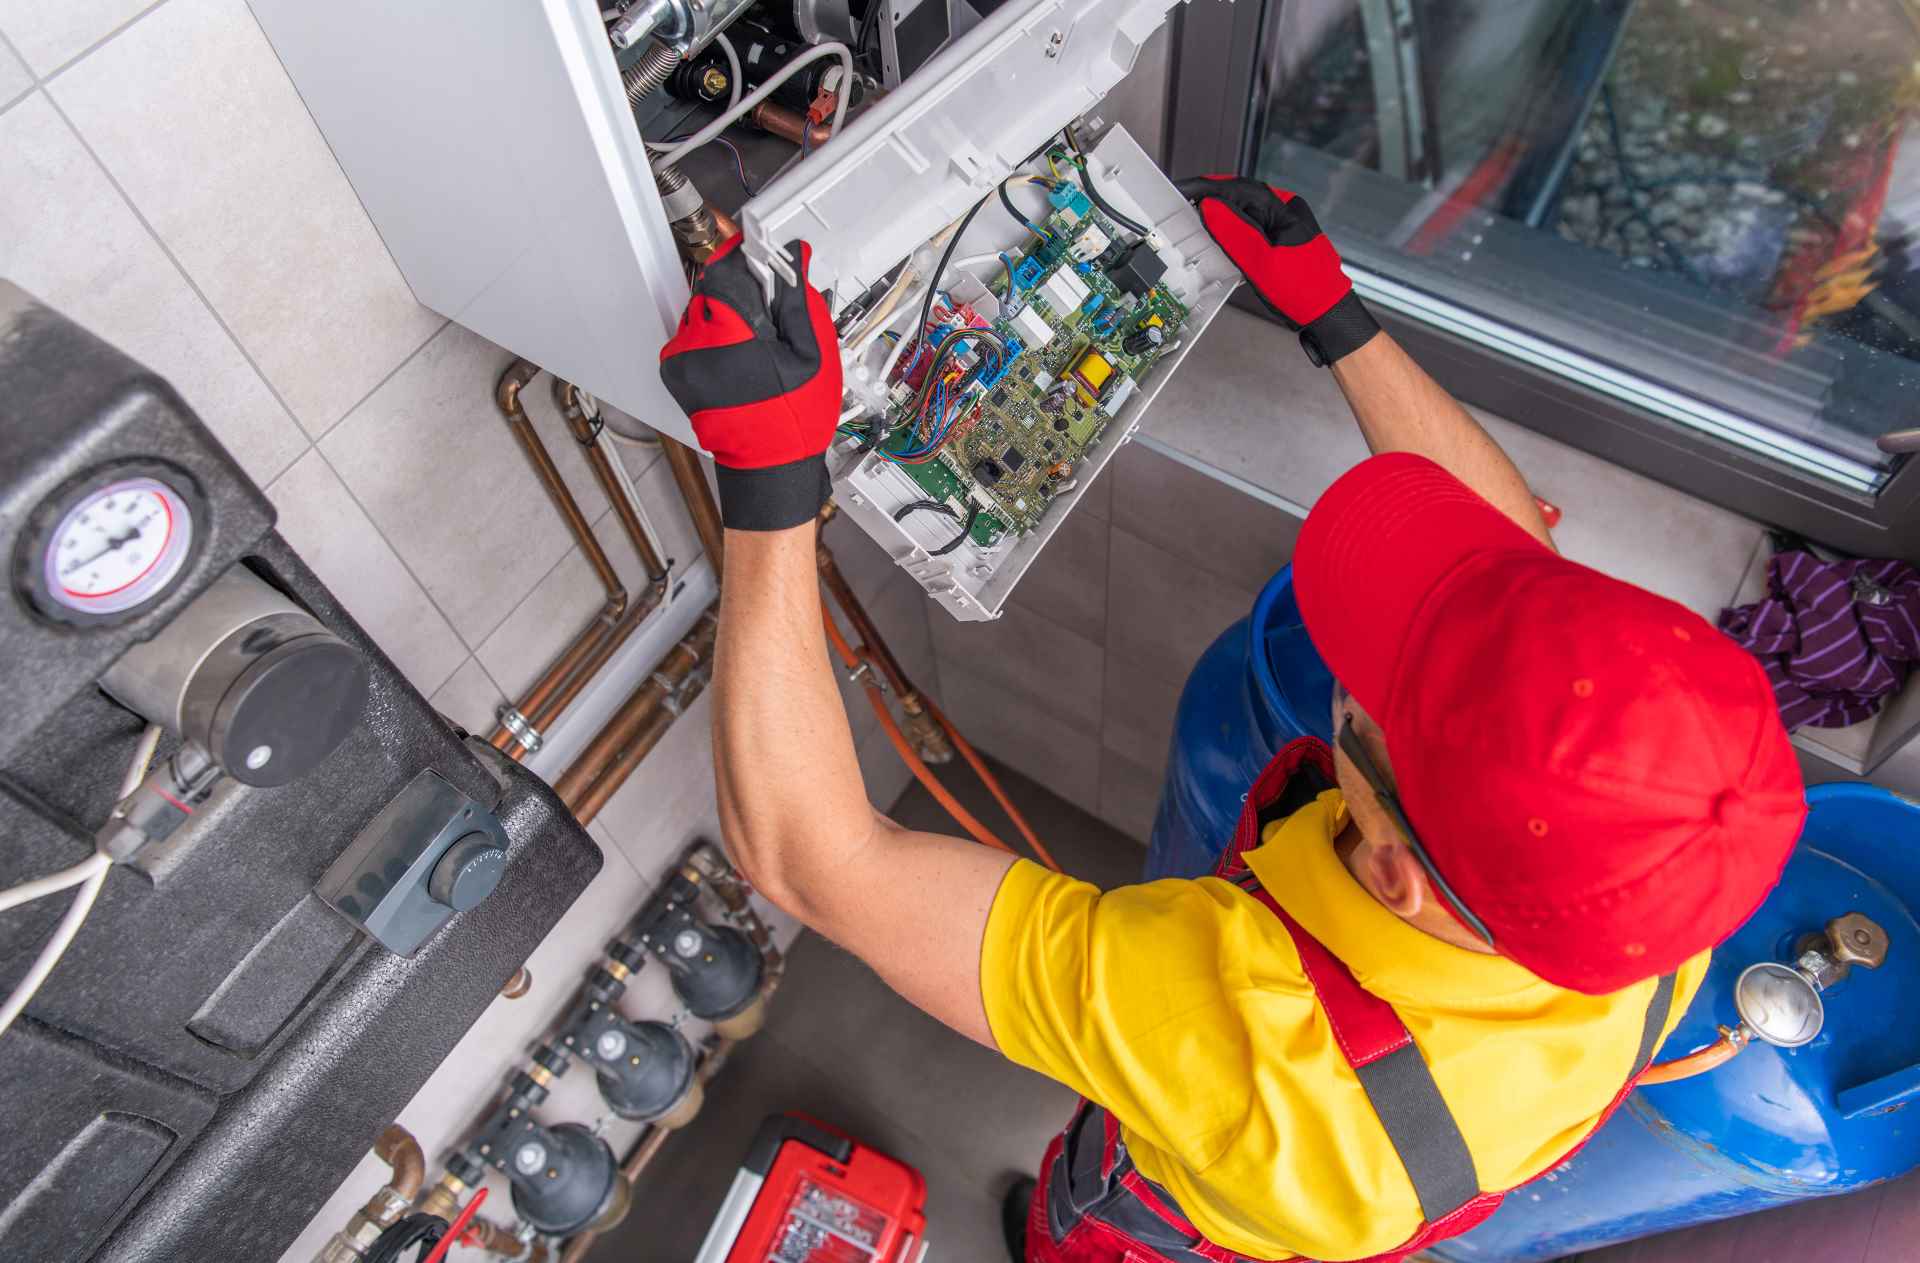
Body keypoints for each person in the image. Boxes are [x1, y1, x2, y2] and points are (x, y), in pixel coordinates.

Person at [657, 180, 1807, 1263]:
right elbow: (1521, 574)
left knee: (1083, 1216)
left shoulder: (1240, 1041)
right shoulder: (1670, 858)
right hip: (1450, 1110)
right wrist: (1336, 316)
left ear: (1399, 870)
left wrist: (769, 490)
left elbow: (814, 861)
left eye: (1370, 697)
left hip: (1190, 1219)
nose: (1358, 655)